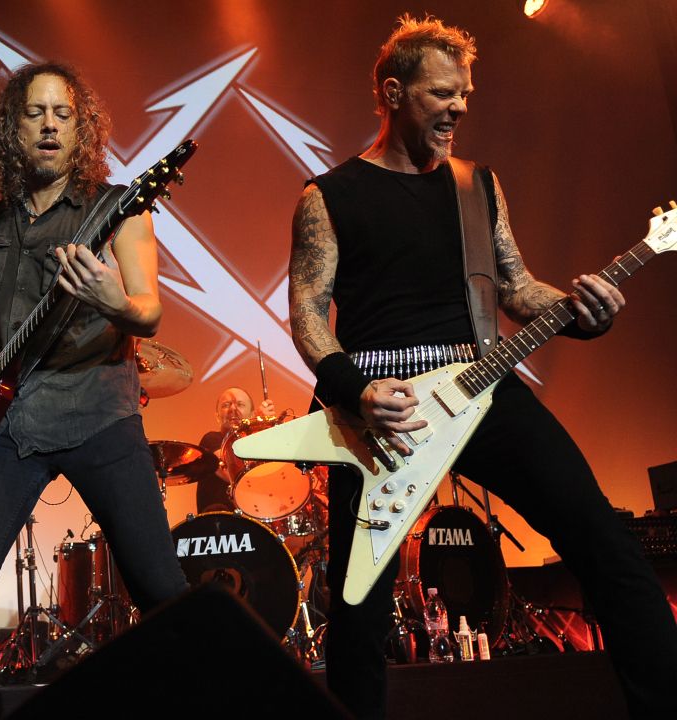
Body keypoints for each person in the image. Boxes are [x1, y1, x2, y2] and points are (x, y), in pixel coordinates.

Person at [289, 15, 677, 719]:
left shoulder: (477, 186)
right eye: (442, 94)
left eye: (464, 94)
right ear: (393, 92)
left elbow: (518, 287)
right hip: (380, 412)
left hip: (482, 384)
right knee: (358, 610)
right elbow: (307, 312)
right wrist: (355, 389)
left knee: (607, 548)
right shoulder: (328, 196)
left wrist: (587, 308)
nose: (459, 108)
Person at [0, 62, 188, 718]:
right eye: (34, 113)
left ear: (81, 129)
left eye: (63, 113)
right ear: (12, 129)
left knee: (165, 595)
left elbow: (147, 311)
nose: (49, 125)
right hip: (10, 425)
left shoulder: (119, 208)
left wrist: (109, 296)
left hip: (100, 412)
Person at [195, 387, 275, 513]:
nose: (233, 409)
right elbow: (234, 475)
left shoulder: (262, 446)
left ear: (252, 414)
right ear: (217, 416)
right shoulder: (211, 439)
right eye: (226, 405)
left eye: (240, 404)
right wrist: (256, 425)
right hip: (219, 524)